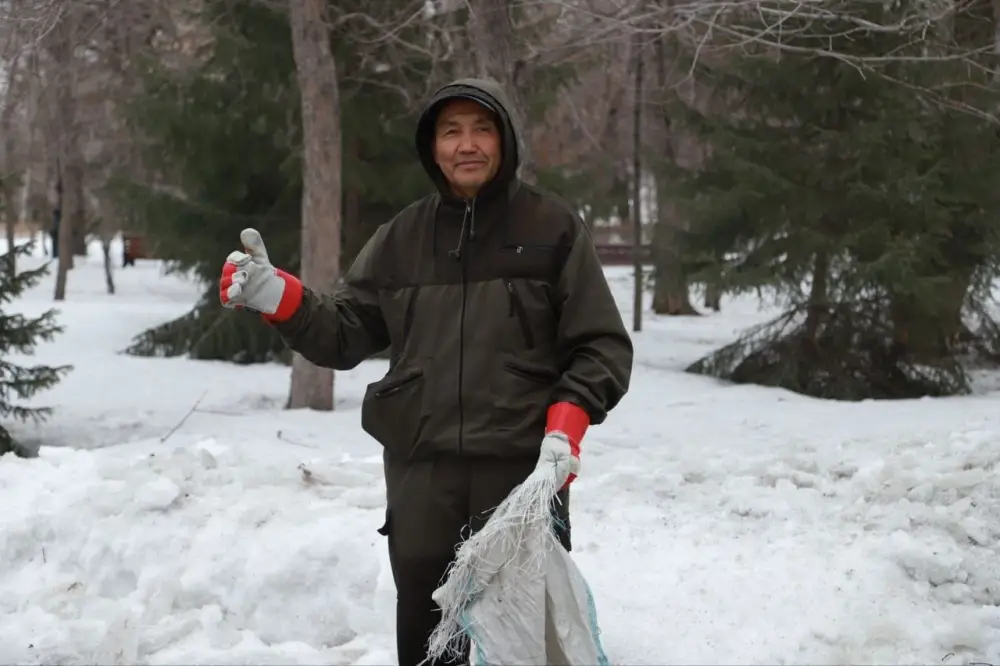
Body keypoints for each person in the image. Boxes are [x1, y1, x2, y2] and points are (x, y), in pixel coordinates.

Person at [218, 78, 633, 666]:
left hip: (520, 473)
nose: (467, 144)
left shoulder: (553, 228)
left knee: (522, 643)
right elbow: (345, 332)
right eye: (451, 131)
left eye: (482, 129)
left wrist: (566, 426)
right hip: (422, 482)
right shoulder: (402, 237)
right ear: (432, 148)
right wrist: (281, 298)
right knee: (429, 641)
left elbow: (601, 345)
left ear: (504, 140)